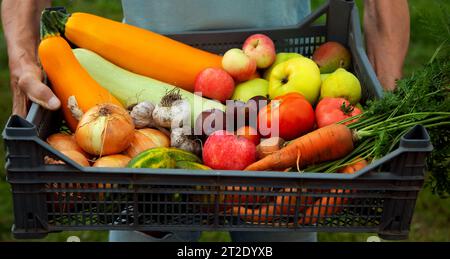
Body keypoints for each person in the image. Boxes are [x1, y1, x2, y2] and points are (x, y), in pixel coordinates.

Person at [1, 0, 410, 242]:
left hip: (278, 88)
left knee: (280, 224)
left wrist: (390, 96)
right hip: (140, 79)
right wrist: (22, 60)